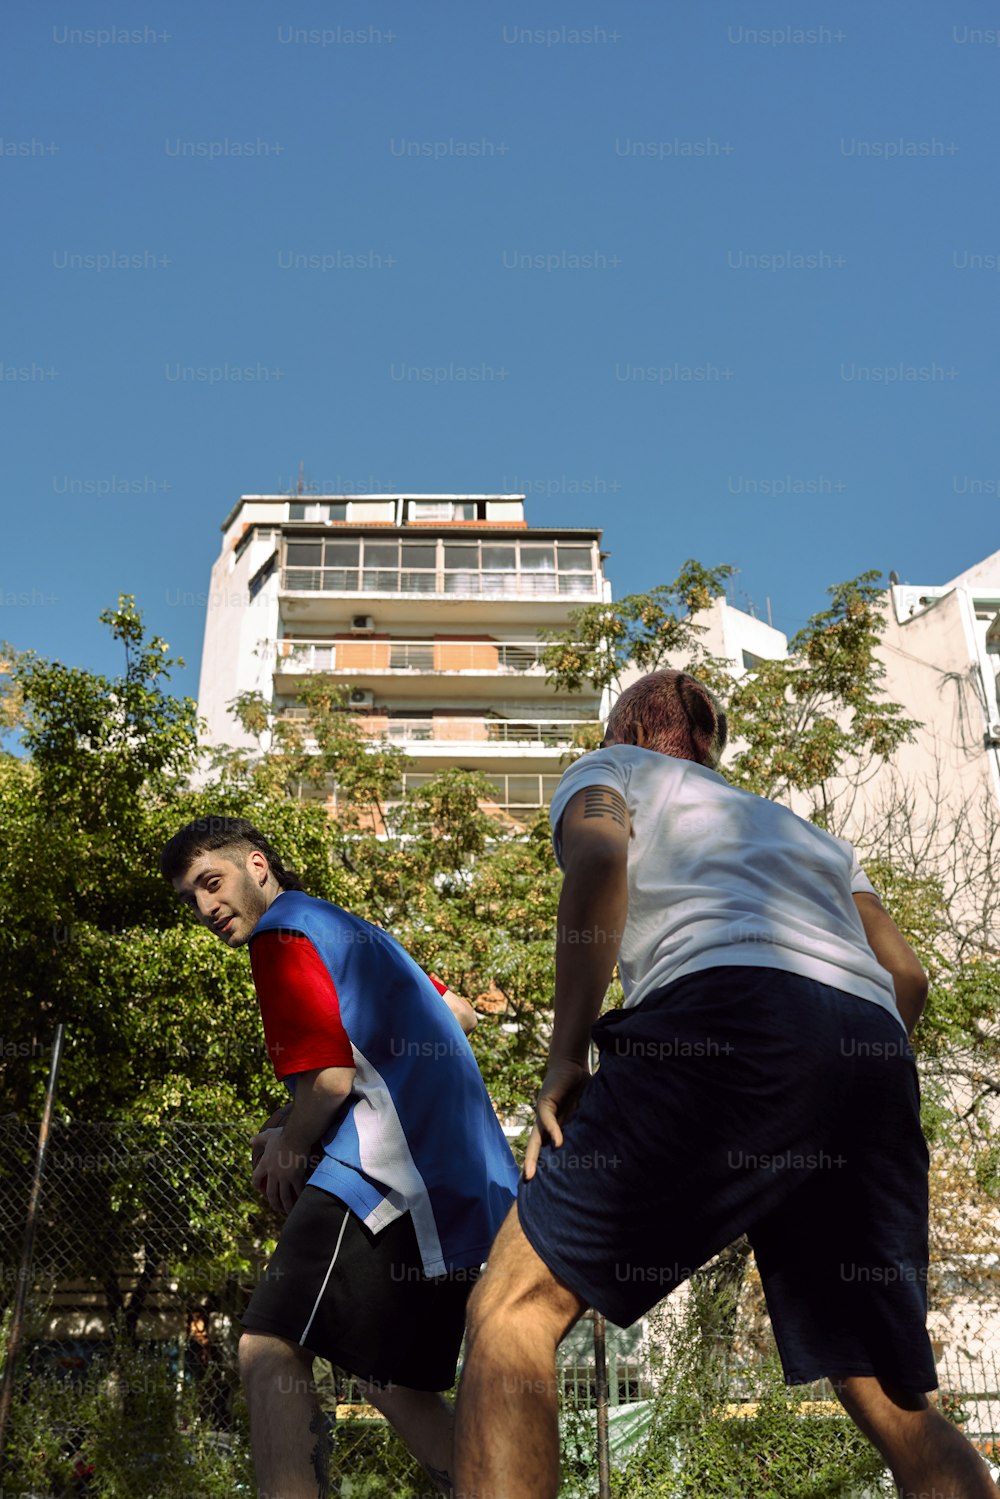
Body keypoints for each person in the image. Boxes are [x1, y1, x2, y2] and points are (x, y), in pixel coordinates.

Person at [454, 669, 999, 1499]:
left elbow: (599, 865)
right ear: (709, 748)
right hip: (870, 1052)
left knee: (513, 1307)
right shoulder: (808, 836)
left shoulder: (611, 774)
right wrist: (826, 1090)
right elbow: (908, 976)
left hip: (727, 1013)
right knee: (886, 1389)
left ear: (622, 731)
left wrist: (565, 1059)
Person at [159, 816, 519, 1499]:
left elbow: (328, 1081)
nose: (206, 907)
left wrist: (289, 1146)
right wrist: (285, 1121)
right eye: (191, 898)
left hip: (389, 1174)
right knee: (390, 1382)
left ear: (257, 865)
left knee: (268, 1346)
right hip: (467, 1188)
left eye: (212, 882)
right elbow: (463, 1012)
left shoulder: (280, 934)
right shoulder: (359, 933)